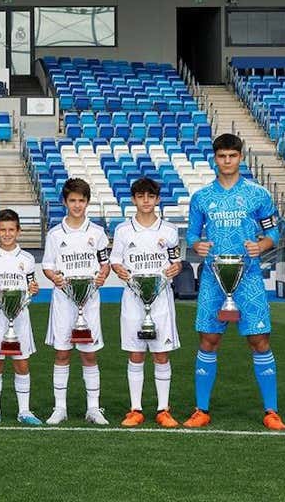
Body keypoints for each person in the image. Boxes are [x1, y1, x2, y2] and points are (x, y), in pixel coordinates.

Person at [184, 133, 285, 430]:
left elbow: (274, 233)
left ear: (241, 157)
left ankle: (271, 411)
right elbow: (192, 234)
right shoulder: (201, 197)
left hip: (250, 277)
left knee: (259, 340)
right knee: (208, 339)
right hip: (215, 279)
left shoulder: (258, 194)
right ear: (214, 159)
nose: (227, 161)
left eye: (232, 156)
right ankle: (201, 409)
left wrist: (263, 245)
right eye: (221, 156)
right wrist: (197, 245)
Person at [109, 177, 183, 428]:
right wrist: (119, 269)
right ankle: (135, 409)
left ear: (158, 199)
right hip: (133, 298)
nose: (146, 201)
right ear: (133, 200)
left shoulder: (169, 231)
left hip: (160, 299)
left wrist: (176, 268)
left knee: (161, 355)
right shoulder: (122, 230)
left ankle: (163, 409)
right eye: (141, 197)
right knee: (136, 353)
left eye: (150, 197)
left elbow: (176, 261)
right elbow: (115, 260)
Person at [41, 178, 112, 425]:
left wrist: (103, 275)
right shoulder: (54, 234)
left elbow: (105, 264)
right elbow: (48, 266)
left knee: (89, 355)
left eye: (81, 201)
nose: (77, 205)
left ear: (87, 202)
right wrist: (55, 278)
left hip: (89, 302)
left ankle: (93, 408)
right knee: (62, 354)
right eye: (73, 200)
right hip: (63, 302)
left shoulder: (97, 233)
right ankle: (59, 408)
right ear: (65, 202)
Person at [0, 209, 43, 427]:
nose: (7, 234)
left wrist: (34, 289)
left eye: (11, 230)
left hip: (20, 318)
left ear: (18, 231)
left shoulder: (27, 259)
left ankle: (24, 411)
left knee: (22, 364)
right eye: (3, 230)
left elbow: (31, 286)